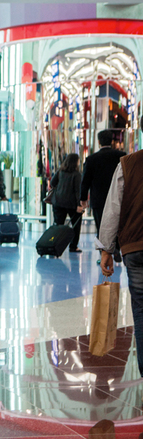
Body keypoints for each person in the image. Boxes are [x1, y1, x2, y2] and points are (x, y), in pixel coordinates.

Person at [98, 147, 143, 380]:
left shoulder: (128, 164)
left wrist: (106, 248)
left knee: (141, 309)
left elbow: (113, 208)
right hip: (134, 246)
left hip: (135, 247)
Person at [81, 130, 125, 260]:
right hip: (118, 197)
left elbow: (85, 180)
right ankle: (117, 248)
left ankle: (104, 255)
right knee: (118, 224)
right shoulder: (121, 156)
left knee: (101, 226)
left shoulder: (91, 159)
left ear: (99, 141)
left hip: (98, 199)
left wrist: (83, 198)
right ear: (111, 141)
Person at [50, 153, 84, 253]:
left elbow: (52, 183)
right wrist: (79, 205)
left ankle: (53, 244)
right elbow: (77, 191)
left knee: (58, 225)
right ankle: (73, 246)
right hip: (71, 204)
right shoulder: (76, 175)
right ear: (75, 162)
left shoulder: (60, 171)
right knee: (76, 226)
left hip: (58, 202)